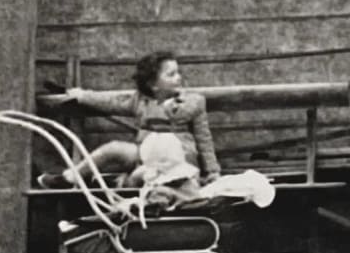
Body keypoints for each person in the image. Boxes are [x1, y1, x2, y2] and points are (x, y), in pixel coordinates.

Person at [39, 50, 220, 189]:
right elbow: (110, 102)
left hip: (177, 162)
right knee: (113, 149)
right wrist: (81, 96)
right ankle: (71, 177)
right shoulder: (140, 101)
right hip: (145, 155)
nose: (178, 78)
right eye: (171, 75)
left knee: (141, 177)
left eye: (178, 73)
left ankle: (118, 184)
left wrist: (212, 171)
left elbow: (204, 139)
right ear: (153, 84)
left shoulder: (193, 103)